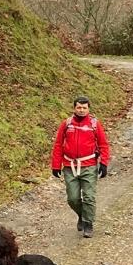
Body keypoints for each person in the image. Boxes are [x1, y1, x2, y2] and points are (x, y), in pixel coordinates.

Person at [50, 95, 110, 238]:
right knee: (73, 198)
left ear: (88, 109)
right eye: (79, 107)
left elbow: (103, 144)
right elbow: (58, 145)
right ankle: (82, 215)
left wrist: (104, 163)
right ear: (74, 108)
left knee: (89, 197)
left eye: (84, 108)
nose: (81, 110)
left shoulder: (94, 124)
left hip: (88, 166)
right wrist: (56, 165)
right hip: (70, 166)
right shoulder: (67, 124)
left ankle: (88, 223)